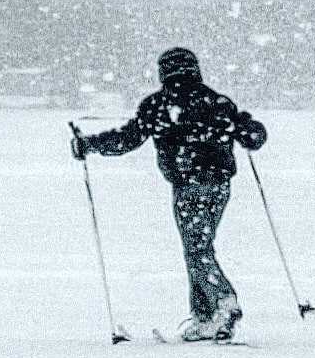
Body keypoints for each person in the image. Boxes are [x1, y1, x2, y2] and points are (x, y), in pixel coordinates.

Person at [76, 45, 268, 340]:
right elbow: (253, 137)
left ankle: (223, 302)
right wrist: (247, 128)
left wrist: (90, 144)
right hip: (218, 185)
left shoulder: (157, 105)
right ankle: (205, 317)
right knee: (199, 245)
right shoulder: (217, 102)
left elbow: (127, 139)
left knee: (196, 248)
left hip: (187, 185)